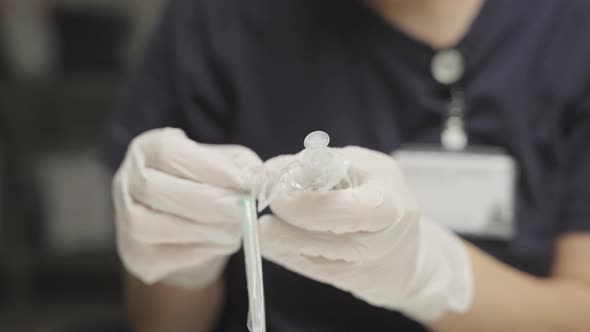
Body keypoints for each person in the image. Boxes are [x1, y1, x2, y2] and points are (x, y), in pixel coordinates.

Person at [102, 0, 590, 331]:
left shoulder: (572, 33)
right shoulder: (219, 22)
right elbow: (161, 323)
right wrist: (179, 257)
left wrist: (431, 273)